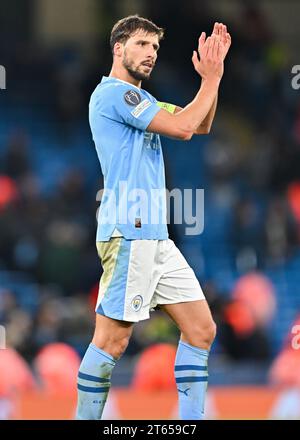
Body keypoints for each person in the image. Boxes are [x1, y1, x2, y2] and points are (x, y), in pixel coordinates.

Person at [76, 14, 231, 420]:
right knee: (112, 343)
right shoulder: (113, 94)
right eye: (142, 44)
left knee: (201, 329)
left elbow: (202, 124)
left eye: (156, 48)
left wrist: (211, 78)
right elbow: (182, 128)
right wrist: (210, 81)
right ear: (118, 48)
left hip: (157, 238)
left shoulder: (143, 101)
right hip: (128, 232)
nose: (151, 54)